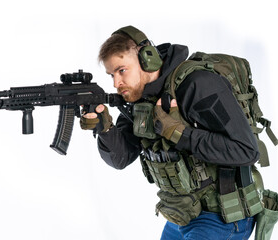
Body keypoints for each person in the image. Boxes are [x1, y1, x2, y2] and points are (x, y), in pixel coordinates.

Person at [80, 25, 260, 240]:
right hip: (182, 213)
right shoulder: (141, 99)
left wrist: (179, 133)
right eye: (111, 75)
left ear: (148, 59)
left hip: (223, 216)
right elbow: (121, 159)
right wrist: (105, 129)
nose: (116, 83)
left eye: (122, 70)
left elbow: (247, 151)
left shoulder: (199, 85)